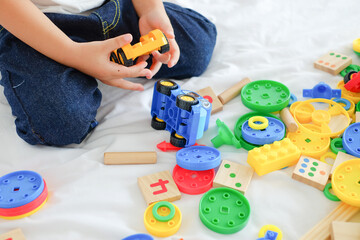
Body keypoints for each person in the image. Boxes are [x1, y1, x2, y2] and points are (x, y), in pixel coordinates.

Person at [0, 0, 217, 146]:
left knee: (198, 47)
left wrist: (151, 10)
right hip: (35, 26)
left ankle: (87, 64)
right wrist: (73, 54)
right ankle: (76, 67)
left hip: (110, 8)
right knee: (62, 124)